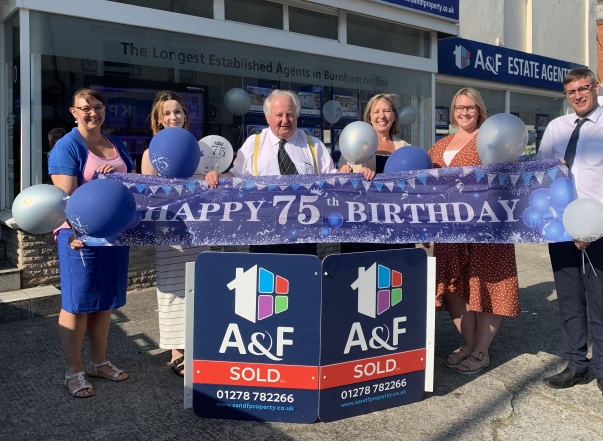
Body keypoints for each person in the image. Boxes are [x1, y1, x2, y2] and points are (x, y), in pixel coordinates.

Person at [537, 68, 603, 407]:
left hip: (599, 229)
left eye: (583, 88)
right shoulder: (556, 128)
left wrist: (592, 226)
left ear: (596, 87)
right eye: (571, 92)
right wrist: (551, 169)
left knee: (601, 301)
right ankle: (577, 364)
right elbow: (540, 172)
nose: (578, 95)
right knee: (568, 299)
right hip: (561, 228)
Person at [49, 89, 136, 398]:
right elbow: (66, 199)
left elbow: (132, 182)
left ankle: (99, 362)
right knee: (76, 304)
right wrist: (74, 234)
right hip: (79, 238)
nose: (92, 113)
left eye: (97, 107)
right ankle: (73, 372)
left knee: (104, 302)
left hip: (113, 236)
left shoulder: (116, 145)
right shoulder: (67, 146)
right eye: (85, 108)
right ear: (74, 112)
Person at [427, 87, 520, 374]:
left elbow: (514, 175)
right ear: (452, 112)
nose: (464, 112)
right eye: (459, 107)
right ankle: (468, 344)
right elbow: (425, 184)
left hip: (487, 229)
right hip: (450, 230)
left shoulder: (492, 138)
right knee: (455, 287)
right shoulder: (441, 145)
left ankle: (482, 350)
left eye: (470, 107)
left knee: (487, 283)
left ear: (479, 110)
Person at [205, 89, 337, 255]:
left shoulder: (314, 145)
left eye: (290, 114)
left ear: (296, 116)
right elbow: (236, 176)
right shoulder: (253, 144)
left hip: (304, 235)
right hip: (263, 234)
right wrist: (218, 176)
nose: (285, 120)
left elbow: (333, 180)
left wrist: (349, 172)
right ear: (268, 118)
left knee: (302, 279)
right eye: (279, 115)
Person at [141, 91, 210, 377]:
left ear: (185, 117)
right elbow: (146, 194)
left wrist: (213, 178)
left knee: (201, 286)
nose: (173, 117)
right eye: (167, 113)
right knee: (172, 290)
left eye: (178, 112)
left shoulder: (199, 150)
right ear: (158, 120)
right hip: (168, 232)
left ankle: (199, 345)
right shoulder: (150, 154)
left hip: (198, 231)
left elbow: (214, 183)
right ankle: (177, 352)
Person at [337, 93, 412, 253]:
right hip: (363, 225)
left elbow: (414, 189)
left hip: (397, 224)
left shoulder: (406, 147)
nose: (382, 116)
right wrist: (343, 173)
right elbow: (342, 186)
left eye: (386, 111)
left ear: (393, 116)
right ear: (369, 117)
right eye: (376, 111)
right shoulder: (353, 145)